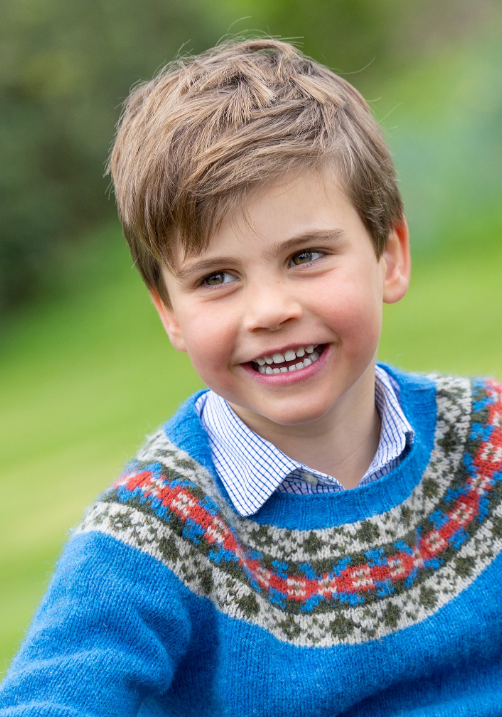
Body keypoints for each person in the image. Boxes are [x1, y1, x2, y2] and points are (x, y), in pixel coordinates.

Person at [1, 38, 501, 717]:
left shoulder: (488, 441)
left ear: (389, 256)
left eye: (305, 256)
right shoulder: (155, 534)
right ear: (168, 312)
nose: (269, 311)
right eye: (216, 277)